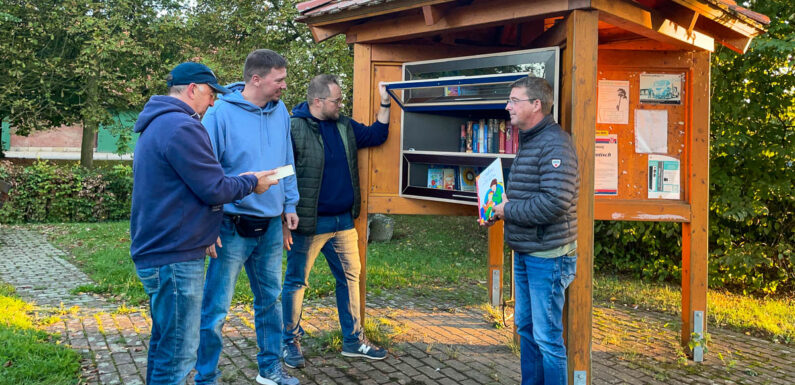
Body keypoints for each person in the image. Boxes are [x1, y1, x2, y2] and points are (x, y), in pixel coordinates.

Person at [130, 62, 278, 385]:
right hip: (176, 259)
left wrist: (206, 229)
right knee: (178, 358)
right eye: (210, 94)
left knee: (163, 347)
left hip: (161, 254)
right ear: (193, 89)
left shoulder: (158, 124)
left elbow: (184, 190)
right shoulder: (183, 127)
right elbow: (214, 187)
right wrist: (252, 182)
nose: (213, 103)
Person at [194, 49, 300, 385]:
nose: (284, 85)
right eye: (279, 79)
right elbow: (206, 176)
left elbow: (286, 160)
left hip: (270, 227)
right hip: (231, 226)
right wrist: (209, 225)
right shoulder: (220, 114)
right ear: (256, 79)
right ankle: (205, 376)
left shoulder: (281, 110)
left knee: (270, 301)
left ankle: (269, 369)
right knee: (216, 310)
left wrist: (289, 206)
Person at [279, 74, 391, 369]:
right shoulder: (293, 128)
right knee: (296, 282)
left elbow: (377, 134)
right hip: (308, 224)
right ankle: (289, 342)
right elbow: (282, 174)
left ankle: (353, 342)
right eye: (337, 100)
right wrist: (282, 217)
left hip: (343, 222)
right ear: (318, 101)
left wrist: (384, 102)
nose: (342, 104)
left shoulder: (345, 126)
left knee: (350, 279)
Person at [489, 76, 579, 385]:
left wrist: (508, 210)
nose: (507, 106)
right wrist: (496, 211)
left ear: (536, 105)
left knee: (547, 337)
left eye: (514, 100)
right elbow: (528, 196)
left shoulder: (555, 143)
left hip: (548, 257)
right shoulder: (530, 140)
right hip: (527, 252)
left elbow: (555, 202)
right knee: (526, 329)